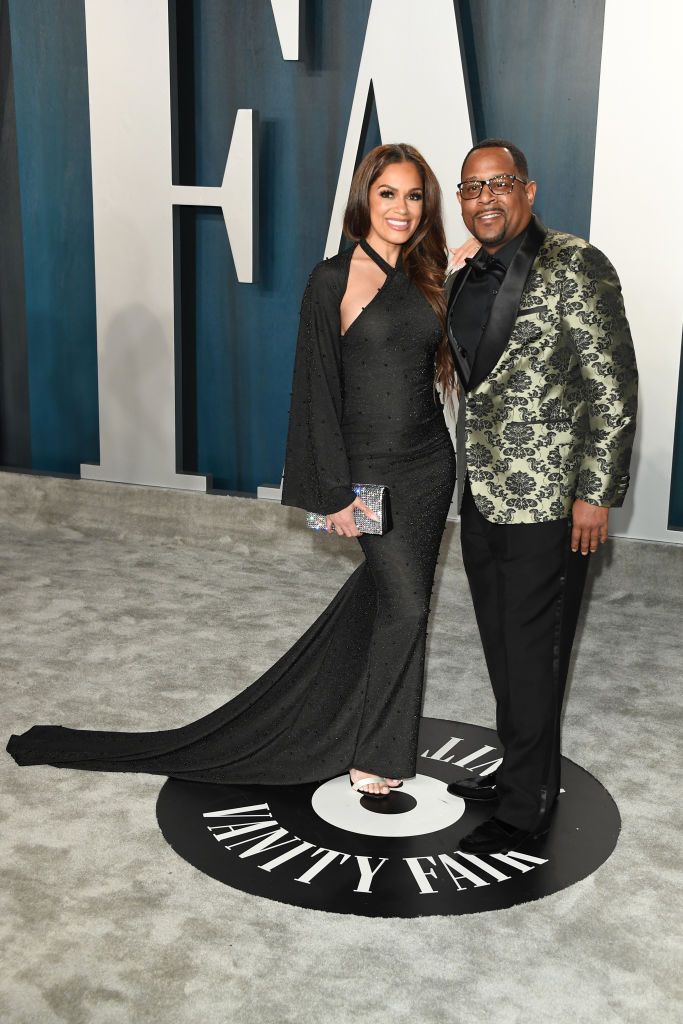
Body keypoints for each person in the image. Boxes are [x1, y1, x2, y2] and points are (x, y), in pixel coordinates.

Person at [7, 144, 457, 800]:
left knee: (391, 601)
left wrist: (468, 274)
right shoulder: (332, 279)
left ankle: (344, 720)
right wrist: (331, 495)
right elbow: (315, 393)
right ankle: (373, 752)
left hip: (430, 468)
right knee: (406, 606)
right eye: (387, 193)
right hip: (365, 476)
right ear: (364, 198)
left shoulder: (431, 276)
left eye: (414, 195)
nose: (401, 208)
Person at [444, 138, 638, 853]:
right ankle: (518, 770)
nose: (485, 197)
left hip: (553, 503)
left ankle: (526, 809)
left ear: (527, 191)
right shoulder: (465, 272)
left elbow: (613, 386)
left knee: (535, 654)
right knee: (501, 646)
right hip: (481, 493)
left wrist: (595, 494)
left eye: (499, 183)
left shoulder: (576, 263)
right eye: (471, 187)